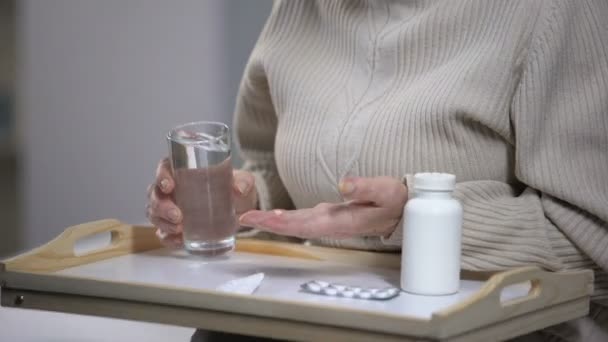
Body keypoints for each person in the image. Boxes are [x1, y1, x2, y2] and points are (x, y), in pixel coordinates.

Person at [146, 0, 608, 340]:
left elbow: (593, 239)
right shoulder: (298, 9)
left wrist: (415, 220)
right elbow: (274, 173)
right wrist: (245, 202)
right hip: (307, 316)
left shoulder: (556, 11)